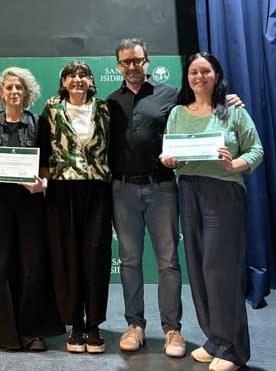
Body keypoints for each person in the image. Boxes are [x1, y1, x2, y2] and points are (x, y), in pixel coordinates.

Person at [160, 52, 263, 371]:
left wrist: (234, 164)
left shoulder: (232, 111)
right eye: (193, 72)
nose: (199, 76)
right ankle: (215, 338)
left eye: (205, 71)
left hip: (223, 192)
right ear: (187, 78)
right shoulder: (178, 112)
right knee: (200, 269)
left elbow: (256, 150)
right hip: (189, 190)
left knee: (221, 271)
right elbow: (170, 150)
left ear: (216, 75)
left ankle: (233, 349)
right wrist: (169, 160)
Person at [0, 67, 64, 351]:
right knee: (0, 263)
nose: (14, 92)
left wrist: (43, 184)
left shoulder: (39, 124)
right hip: (0, 202)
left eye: (19, 88)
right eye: (9, 87)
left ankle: (31, 330)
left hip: (31, 202)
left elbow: (47, 163)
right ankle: (2, 332)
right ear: (1, 93)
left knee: (32, 263)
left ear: (27, 93)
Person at [107, 38, 185, 357]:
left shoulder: (170, 95)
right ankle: (135, 325)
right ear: (118, 66)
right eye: (126, 62)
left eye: (137, 60)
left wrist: (230, 101)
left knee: (168, 262)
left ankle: (172, 330)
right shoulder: (110, 102)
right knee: (129, 261)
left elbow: (197, 117)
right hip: (122, 190)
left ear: (147, 61)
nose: (132, 66)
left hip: (162, 188)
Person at [38, 60, 112, 354]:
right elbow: (43, 148)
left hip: (97, 189)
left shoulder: (106, 109)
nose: (78, 80)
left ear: (91, 80)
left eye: (83, 75)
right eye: (72, 76)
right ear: (64, 82)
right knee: (66, 254)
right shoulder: (52, 110)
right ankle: (75, 324)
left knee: (95, 255)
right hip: (61, 189)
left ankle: (93, 323)